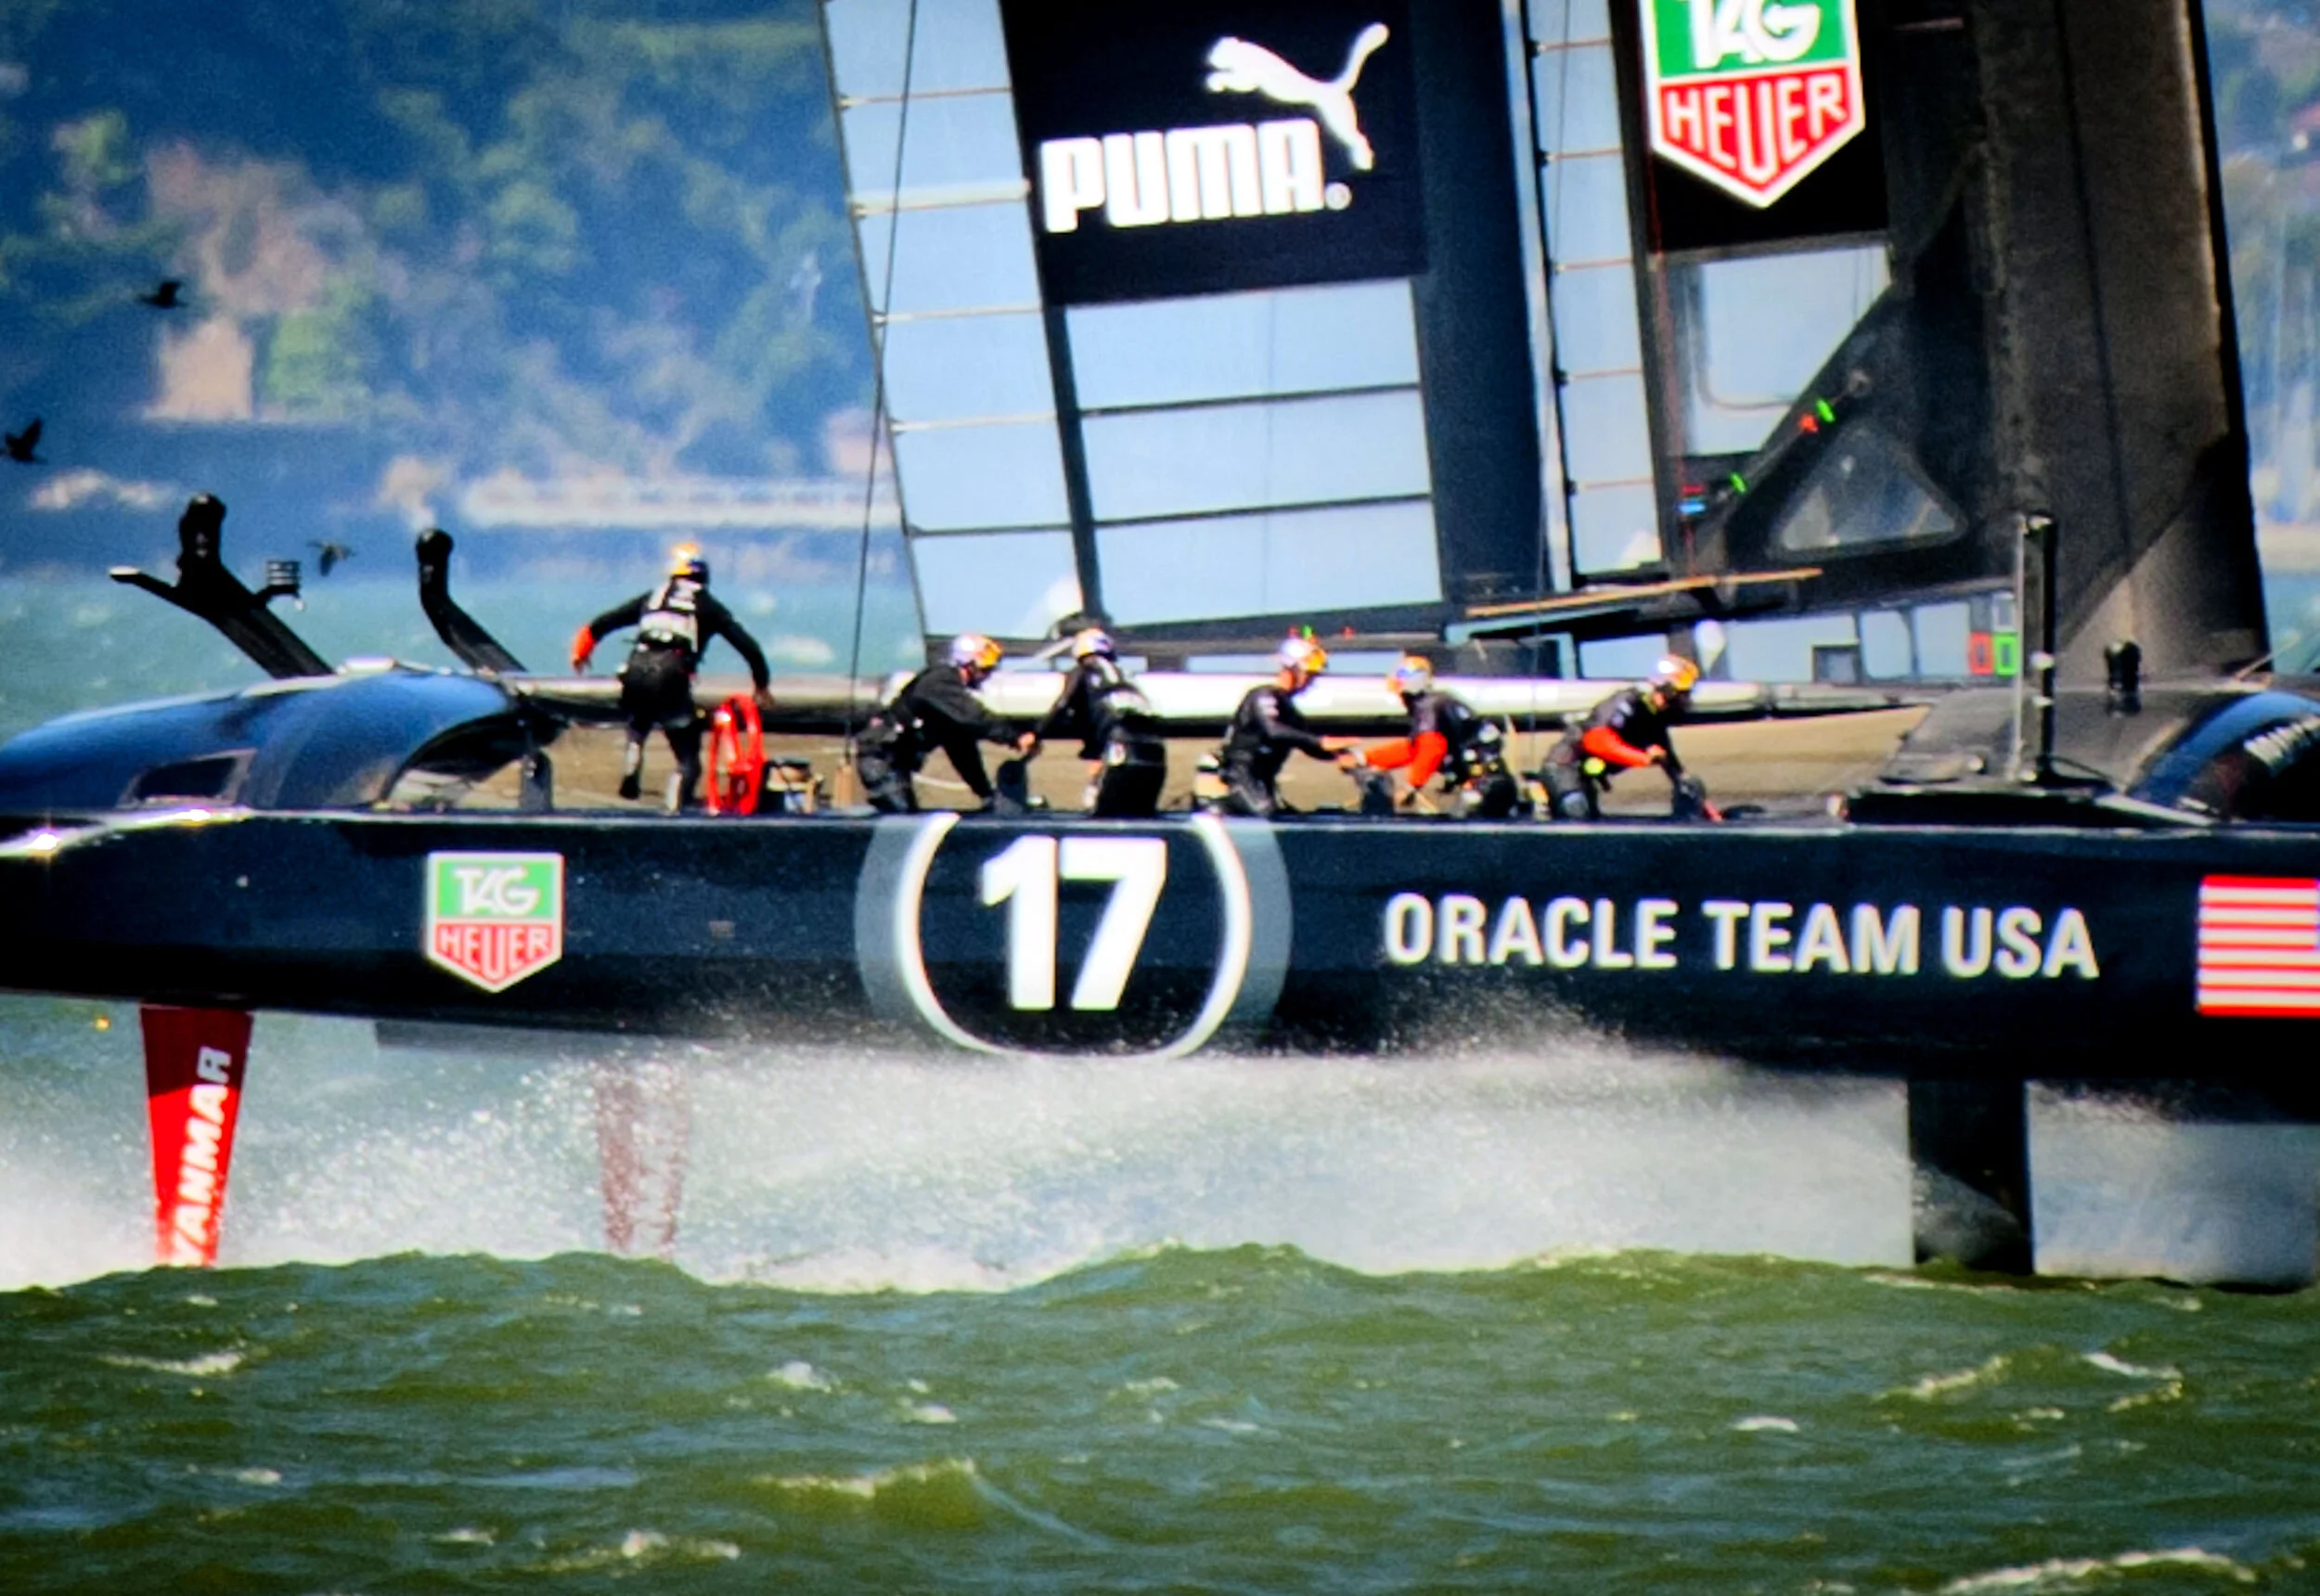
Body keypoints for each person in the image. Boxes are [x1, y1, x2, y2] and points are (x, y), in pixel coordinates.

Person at [571, 545, 771, 809]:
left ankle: (634, 751)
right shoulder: (708, 605)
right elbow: (748, 646)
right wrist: (761, 683)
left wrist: (580, 653)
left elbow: (600, 624)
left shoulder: (652, 598)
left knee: (639, 716)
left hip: (635, 668)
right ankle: (675, 801)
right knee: (687, 757)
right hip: (672, 674)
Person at [856, 633, 1037, 813]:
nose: (987, 675)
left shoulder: (947, 707)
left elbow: (962, 750)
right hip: (880, 760)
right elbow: (974, 716)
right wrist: (1015, 736)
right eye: (985, 669)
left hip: (894, 764)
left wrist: (985, 793)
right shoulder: (940, 683)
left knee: (906, 814)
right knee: (901, 818)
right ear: (968, 665)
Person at [1540, 654, 1718, 821]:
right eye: (1682, 694)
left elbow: (1674, 769)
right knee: (1576, 814)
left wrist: (1710, 813)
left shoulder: (1654, 720)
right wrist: (1642, 758)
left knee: (1590, 823)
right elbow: (1596, 740)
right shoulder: (1627, 703)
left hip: (1585, 777)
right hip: (1564, 768)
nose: (1685, 701)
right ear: (1667, 690)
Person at [1348, 655, 1520, 817]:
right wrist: (1365, 758)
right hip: (1492, 784)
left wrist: (1410, 787)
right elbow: (1414, 748)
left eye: (1402, 695)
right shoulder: (1439, 703)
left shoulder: (1428, 707)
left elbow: (1431, 749)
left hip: (1485, 786)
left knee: (1461, 833)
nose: (1401, 700)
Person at [1215, 633, 1359, 817]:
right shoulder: (1262, 696)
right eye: (1309, 675)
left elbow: (1306, 743)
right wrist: (1320, 742)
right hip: (1241, 777)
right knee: (1266, 814)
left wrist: (1346, 757)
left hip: (1263, 780)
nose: (1312, 681)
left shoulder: (1288, 709)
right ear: (1293, 669)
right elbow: (1274, 730)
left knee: (1289, 817)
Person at [1033, 627, 1167, 817]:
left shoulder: (1083, 670)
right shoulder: (1125, 675)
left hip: (1118, 742)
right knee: (1142, 809)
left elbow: (1063, 705)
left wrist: (1036, 733)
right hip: (1154, 747)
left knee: (1104, 807)